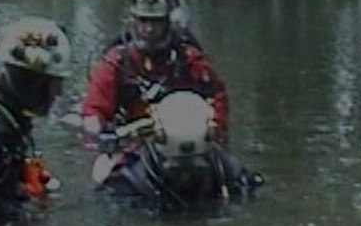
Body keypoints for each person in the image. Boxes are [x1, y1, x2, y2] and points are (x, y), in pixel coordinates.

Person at [80, 0, 229, 145]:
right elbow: (93, 110)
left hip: (190, 147)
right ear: (133, 21)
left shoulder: (189, 59)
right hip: (133, 153)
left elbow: (217, 95)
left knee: (235, 171)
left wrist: (215, 124)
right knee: (106, 170)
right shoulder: (116, 63)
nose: (149, 29)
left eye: (156, 22)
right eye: (143, 21)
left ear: (167, 22)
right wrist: (98, 132)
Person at [0, 17, 72, 223]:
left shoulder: (5, 119)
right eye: (56, 83)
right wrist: (20, 217)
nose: (59, 92)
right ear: (35, 84)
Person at [95, 90, 263, 213]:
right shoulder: (130, 181)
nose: (185, 177)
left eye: (195, 168)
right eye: (176, 169)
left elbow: (253, 185)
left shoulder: (225, 168)